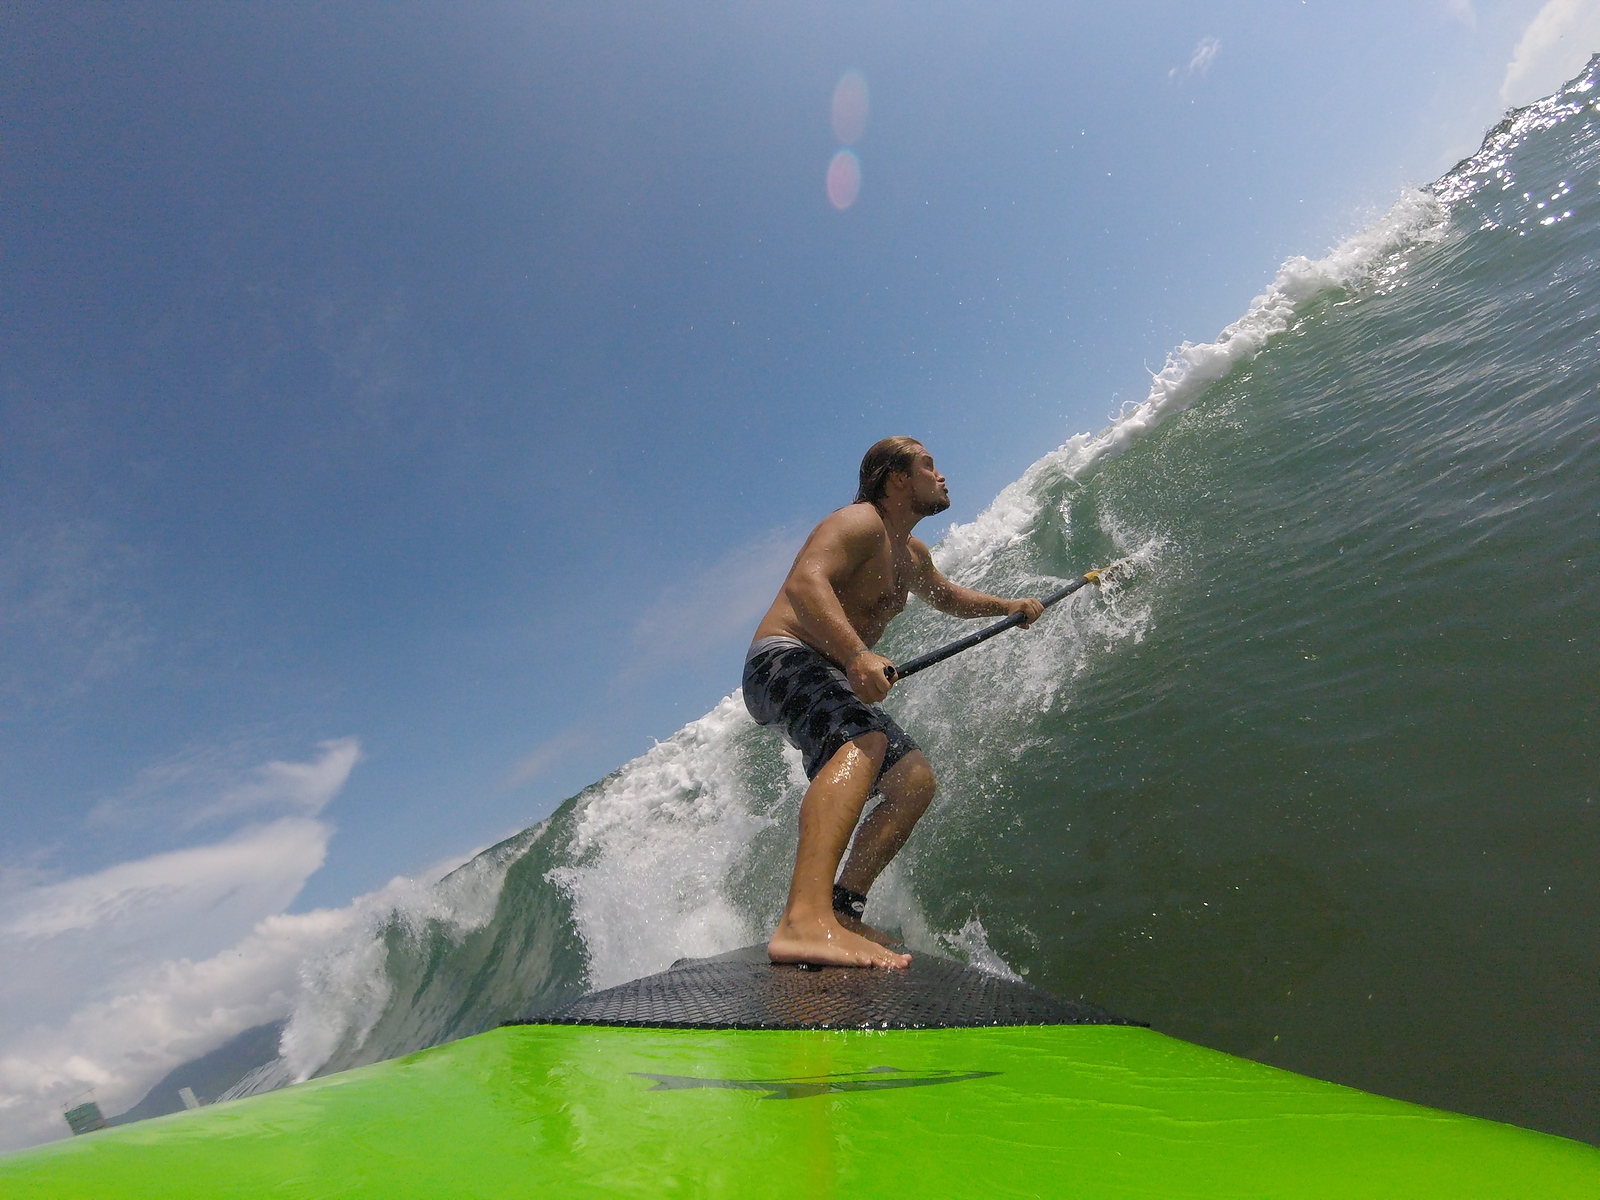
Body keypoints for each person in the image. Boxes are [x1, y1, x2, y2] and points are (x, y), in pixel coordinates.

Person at [743, 437, 1044, 968]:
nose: (942, 475)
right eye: (929, 465)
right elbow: (805, 583)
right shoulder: (858, 522)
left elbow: (948, 596)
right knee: (864, 738)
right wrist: (857, 656)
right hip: (780, 660)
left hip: (826, 671)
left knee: (913, 781)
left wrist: (1010, 607)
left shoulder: (910, 554)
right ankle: (803, 920)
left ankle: (840, 909)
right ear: (897, 478)